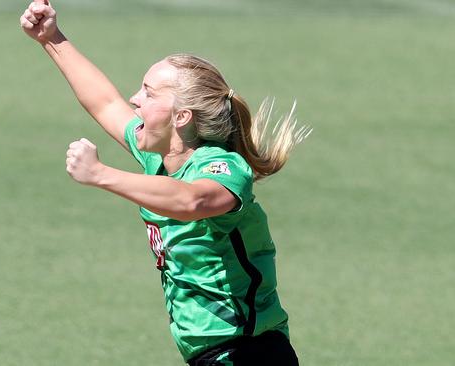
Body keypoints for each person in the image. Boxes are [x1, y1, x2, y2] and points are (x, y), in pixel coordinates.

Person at [20, 2, 310, 365]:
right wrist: (51, 38)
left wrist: (102, 175)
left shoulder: (223, 166)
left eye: (148, 92)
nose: (134, 99)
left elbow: (193, 202)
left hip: (250, 354)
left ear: (182, 116)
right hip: (214, 356)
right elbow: (105, 101)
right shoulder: (157, 160)